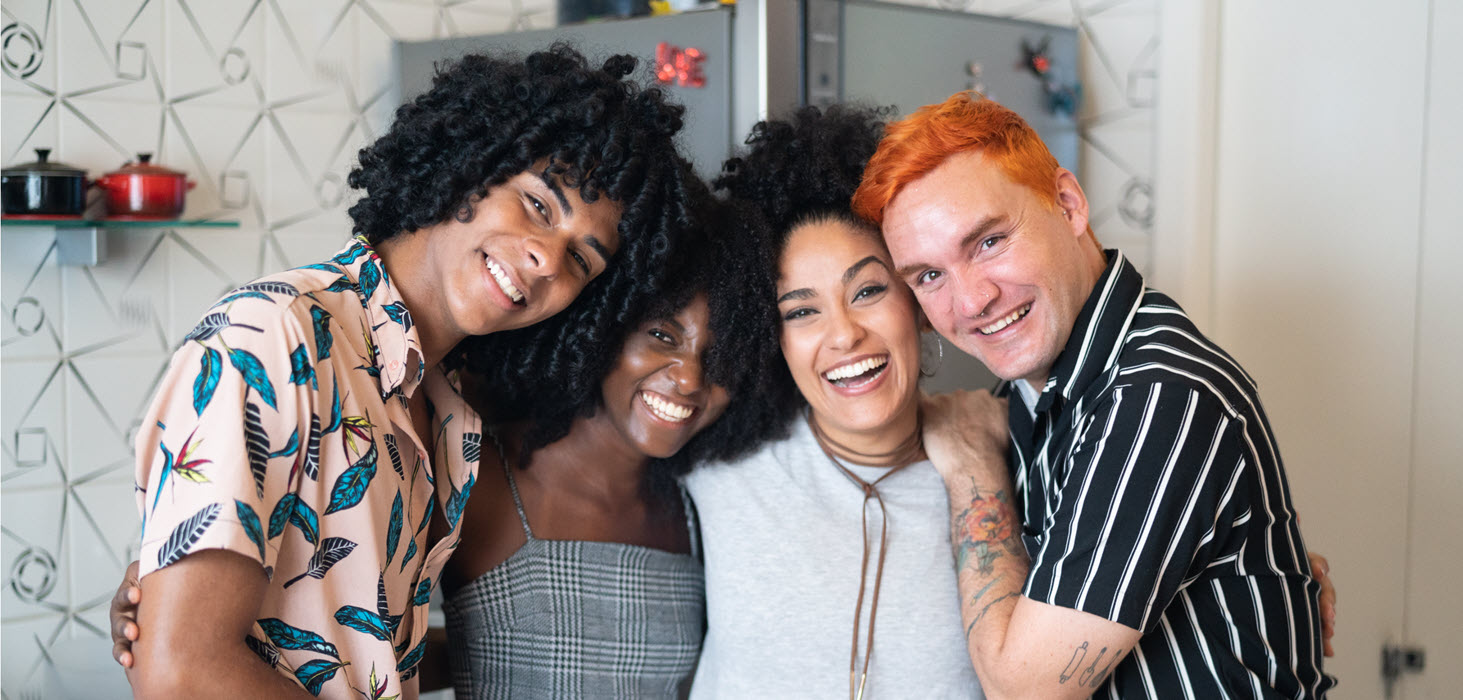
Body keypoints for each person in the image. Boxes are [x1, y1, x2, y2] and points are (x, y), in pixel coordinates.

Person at [121, 45, 696, 699]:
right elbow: (179, 673)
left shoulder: (445, 408)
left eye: (581, 261)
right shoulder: (274, 337)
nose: (544, 259)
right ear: (468, 166)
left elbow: (362, 650)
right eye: (538, 206)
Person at [850, 92, 1336, 697]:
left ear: (1069, 204)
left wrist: (971, 464)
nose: (972, 301)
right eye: (929, 275)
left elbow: (1024, 689)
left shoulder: (1160, 396)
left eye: (989, 242)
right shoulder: (1039, 390)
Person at [685, 104, 984, 698]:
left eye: (868, 290)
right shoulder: (716, 462)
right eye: (800, 311)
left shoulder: (1000, 467)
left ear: (917, 300)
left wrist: (980, 468)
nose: (843, 334)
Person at [432, 194, 784, 698]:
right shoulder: (480, 477)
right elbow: (371, 650)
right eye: (662, 335)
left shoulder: (693, 509)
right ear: (603, 330)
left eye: (721, 355)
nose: (689, 379)